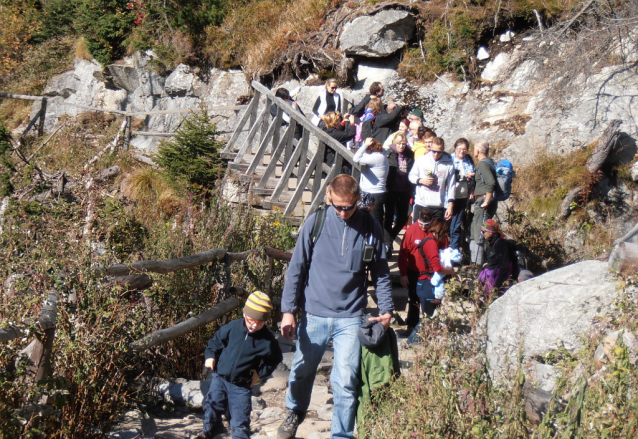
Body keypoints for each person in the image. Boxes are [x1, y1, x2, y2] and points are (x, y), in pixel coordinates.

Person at [278, 175, 394, 439]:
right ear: (329, 195)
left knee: (345, 380)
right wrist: (288, 311)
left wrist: (386, 311)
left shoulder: (371, 228)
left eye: (348, 207)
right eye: (338, 206)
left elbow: (381, 273)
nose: (343, 212)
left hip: (351, 316)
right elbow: (296, 268)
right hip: (315, 312)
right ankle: (295, 411)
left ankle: (341, 435)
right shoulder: (316, 223)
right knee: (301, 370)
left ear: (357, 200)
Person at [197, 291, 283, 439]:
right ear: (244, 314)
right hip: (219, 377)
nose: (254, 325)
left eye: (260, 322)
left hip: (242, 385)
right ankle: (211, 432)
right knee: (212, 407)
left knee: (239, 418)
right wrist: (210, 356)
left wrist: (259, 374)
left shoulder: (268, 340)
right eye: (251, 320)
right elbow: (215, 342)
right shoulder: (232, 327)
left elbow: (275, 359)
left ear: (266, 321)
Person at [398, 211, 455, 332]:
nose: (423, 227)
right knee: (414, 299)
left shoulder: (437, 233)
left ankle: (431, 328)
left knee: (431, 301)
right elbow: (403, 254)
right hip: (414, 271)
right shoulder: (411, 231)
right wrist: (403, 274)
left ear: (432, 221)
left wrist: (446, 271)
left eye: (426, 224)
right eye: (421, 223)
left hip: (432, 274)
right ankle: (412, 326)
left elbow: (445, 251)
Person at [408, 137, 456, 222]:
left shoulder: (449, 164)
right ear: (430, 148)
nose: (436, 154)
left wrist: (450, 205)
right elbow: (411, 176)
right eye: (434, 151)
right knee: (419, 234)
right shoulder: (421, 160)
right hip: (421, 203)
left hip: (438, 206)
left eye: (439, 152)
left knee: (435, 234)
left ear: (443, 149)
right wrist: (421, 180)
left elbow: (451, 185)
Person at [383, 133, 414, 256]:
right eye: (399, 144)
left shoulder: (410, 154)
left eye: (403, 143)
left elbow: (412, 171)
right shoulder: (389, 153)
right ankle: (388, 245)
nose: (401, 146)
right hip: (391, 189)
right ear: (394, 144)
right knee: (389, 217)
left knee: (402, 219)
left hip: (404, 190)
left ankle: (390, 238)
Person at [470, 140, 498, 266]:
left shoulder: (482, 164)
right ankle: (479, 262)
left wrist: (486, 200)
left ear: (477, 151)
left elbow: (490, 182)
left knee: (479, 233)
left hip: (483, 201)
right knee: (480, 231)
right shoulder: (490, 162)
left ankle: (478, 265)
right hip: (486, 200)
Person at [353, 137, 389, 226]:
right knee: (367, 220)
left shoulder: (376, 157)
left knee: (375, 221)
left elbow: (356, 158)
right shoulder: (379, 155)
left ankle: (378, 239)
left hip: (374, 193)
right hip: (372, 192)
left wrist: (364, 145)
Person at [477, 219, 516, 299]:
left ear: (491, 232)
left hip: (496, 277)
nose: (482, 234)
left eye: (484, 231)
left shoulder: (500, 244)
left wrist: (497, 286)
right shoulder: (490, 242)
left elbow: (504, 267)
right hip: (491, 274)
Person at [449, 138, 475, 251]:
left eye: (465, 149)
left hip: (464, 195)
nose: (462, 151)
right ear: (455, 148)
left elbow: (474, 176)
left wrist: (471, 177)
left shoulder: (469, 159)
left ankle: (454, 250)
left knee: (457, 224)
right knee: (448, 222)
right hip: (450, 195)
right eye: (460, 149)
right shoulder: (449, 159)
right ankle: (446, 247)